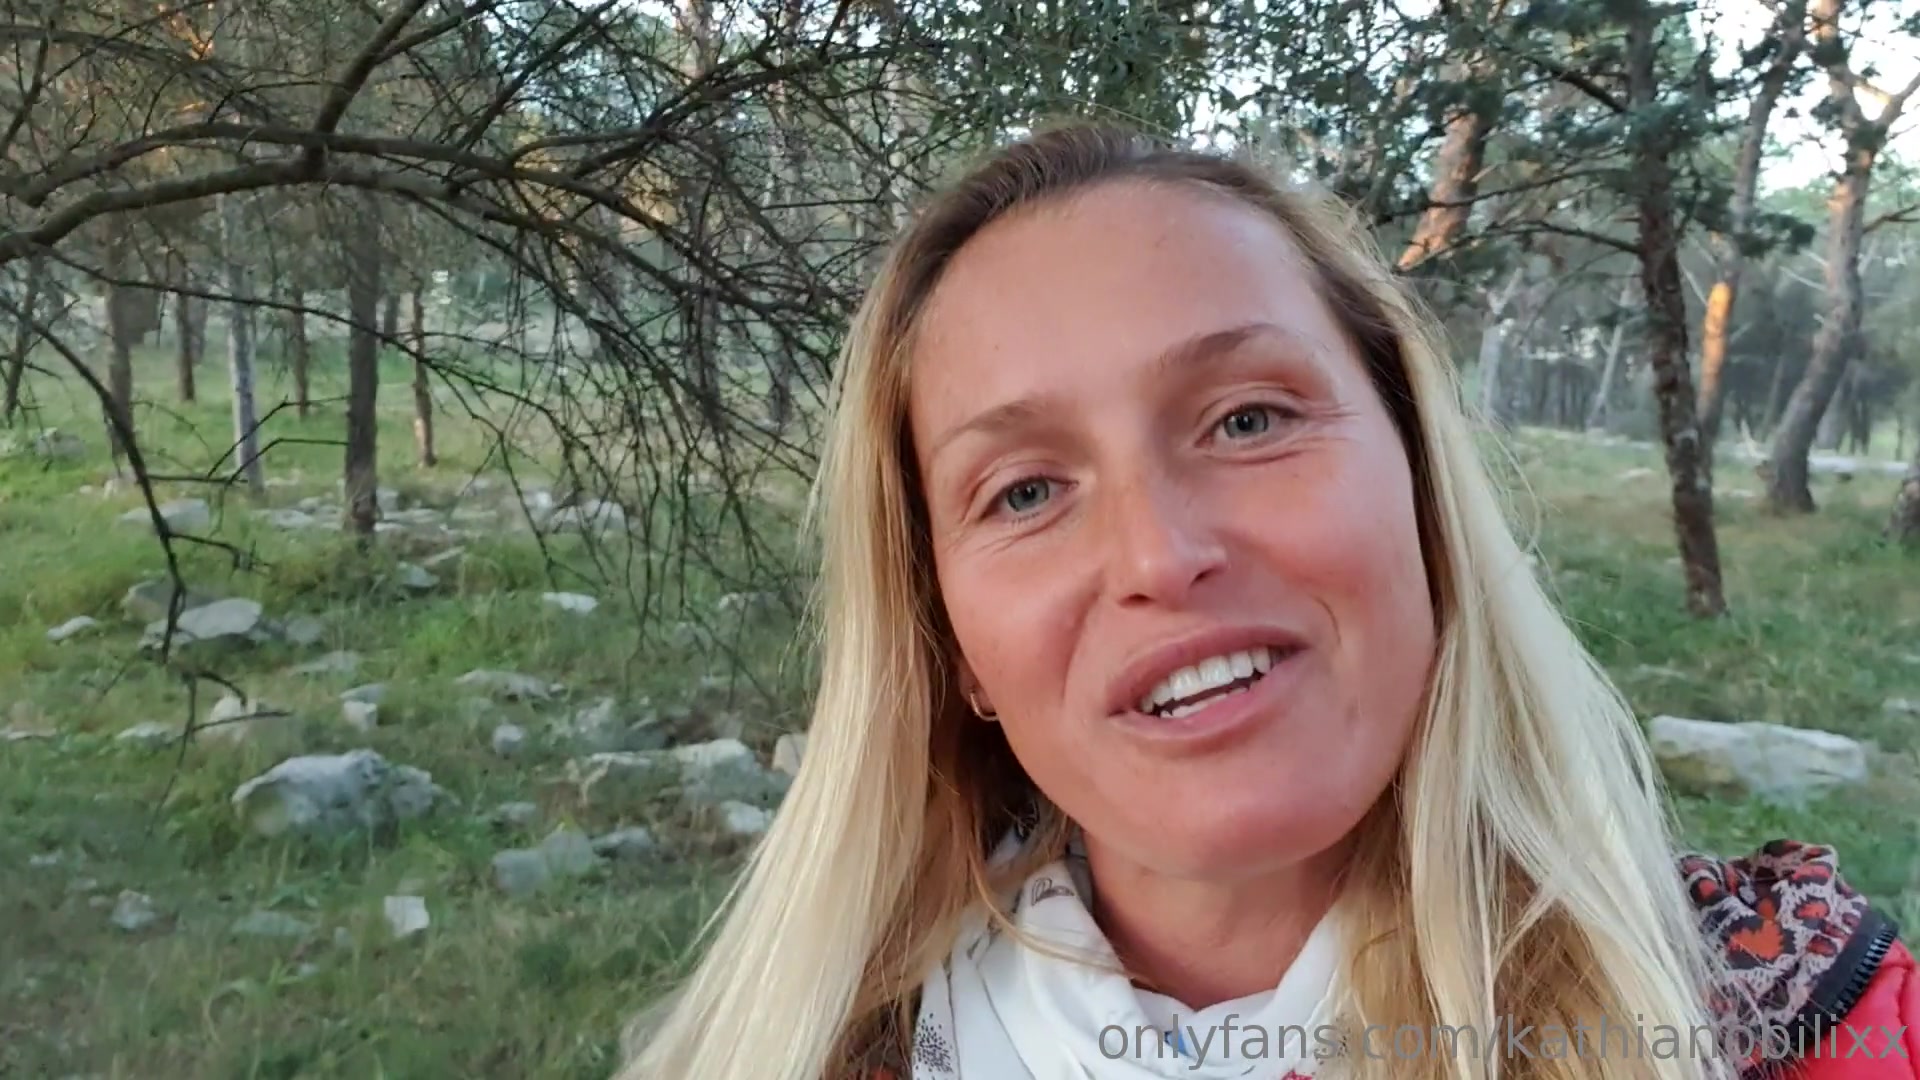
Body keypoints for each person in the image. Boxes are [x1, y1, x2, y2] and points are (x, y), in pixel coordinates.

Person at [618, 123, 1915, 1080]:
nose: (1159, 554)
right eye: (1025, 491)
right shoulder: (808, 1054)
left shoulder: (1796, 1018)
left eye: (1247, 418)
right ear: (949, 641)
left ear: (1419, 473)